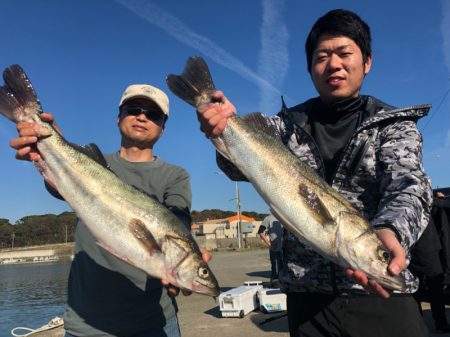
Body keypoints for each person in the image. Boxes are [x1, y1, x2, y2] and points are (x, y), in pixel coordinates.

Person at [196, 9, 432, 337]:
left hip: (382, 297)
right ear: (309, 67)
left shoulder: (394, 125)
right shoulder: (285, 126)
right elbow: (239, 170)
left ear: (367, 62)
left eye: (345, 53)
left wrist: (390, 231)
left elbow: (408, 185)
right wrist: (221, 131)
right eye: (322, 56)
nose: (333, 64)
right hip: (307, 301)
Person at [10, 84, 209, 337]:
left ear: (163, 127)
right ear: (118, 117)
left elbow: (178, 218)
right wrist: (49, 146)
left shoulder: (175, 175)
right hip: (87, 323)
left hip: (154, 322)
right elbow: (60, 186)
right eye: (133, 109)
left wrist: (187, 247)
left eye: (153, 114)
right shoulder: (92, 162)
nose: (142, 117)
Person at [258, 214, 283, 287]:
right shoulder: (269, 218)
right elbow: (260, 231)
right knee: (276, 270)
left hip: (287, 250)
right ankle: (275, 286)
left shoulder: (285, 216)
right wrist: (269, 244)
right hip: (275, 250)